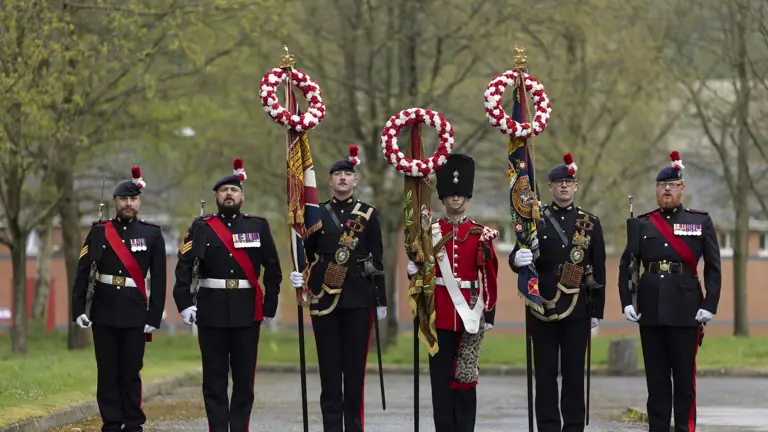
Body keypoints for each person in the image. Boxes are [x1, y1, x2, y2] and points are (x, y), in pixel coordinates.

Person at [172, 158, 282, 432]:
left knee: (244, 381)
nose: (229, 194)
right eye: (224, 191)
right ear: (217, 197)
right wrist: (184, 304)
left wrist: (270, 305)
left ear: (242, 196)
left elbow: (273, 269)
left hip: (247, 311)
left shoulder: (258, 226)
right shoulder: (201, 227)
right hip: (212, 311)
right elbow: (183, 268)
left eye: (234, 190)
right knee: (214, 380)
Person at [618, 150, 721, 432]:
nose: (666, 190)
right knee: (657, 382)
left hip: (687, 308)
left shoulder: (701, 222)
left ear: (682, 188)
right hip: (650, 310)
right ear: (656, 189)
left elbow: (713, 266)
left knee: (685, 383)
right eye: (662, 186)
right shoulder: (642, 223)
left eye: (672, 186)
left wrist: (710, 303)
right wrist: (627, 301)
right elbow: (627, 263)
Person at [289, 145, 387, 432]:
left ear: (355, 181)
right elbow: (306, 253)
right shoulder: (315, 213)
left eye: (347, 174)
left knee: (354, 373)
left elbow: (377, 258)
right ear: (329, 181)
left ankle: (354, 427)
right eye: (337, 175)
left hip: (359, 297)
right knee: (329, 373)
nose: (342, 179)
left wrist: (379, 299)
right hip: (323, 298)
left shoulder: (368, 214)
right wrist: (299, 276)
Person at [508, 152, 606, 432]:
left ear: (576, 187)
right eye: (558, 182)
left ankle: (573, 426)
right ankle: (548, 426)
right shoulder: (535, 220)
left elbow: (598, 268)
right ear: (550, 187)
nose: (564, 186)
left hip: (577, 308)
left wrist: (597, 310)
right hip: (542, 306)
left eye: (569, 182)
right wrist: (517, 260)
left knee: (574, 374)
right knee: (546, 374)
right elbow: (517, 256)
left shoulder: (590, 223)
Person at [406, 153, 499, 432]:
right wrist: (413, 271)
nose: (455, 199)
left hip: (470, 314)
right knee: (441, 381)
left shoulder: (481, 234)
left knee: (466, 380)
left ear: (467, 199)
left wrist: (489, 313)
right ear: (442, 199)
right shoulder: (429, 233)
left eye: (460, 195)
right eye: (450, 195)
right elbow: (422, 276)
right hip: (439, 315)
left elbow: (490, 277)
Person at [71, 166, 167, 432]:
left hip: (135, 311)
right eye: (123, 199)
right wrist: (78, 308)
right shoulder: (99, 231)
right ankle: (111, 422)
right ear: (115, 201)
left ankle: (133, 423)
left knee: (131, 371)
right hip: (103, 310)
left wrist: (154, 316)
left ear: (139, 201)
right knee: (107, 371)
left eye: (133, 199)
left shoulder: (152, 234)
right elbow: (82, 272)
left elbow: (159, 279)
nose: (128, 203)